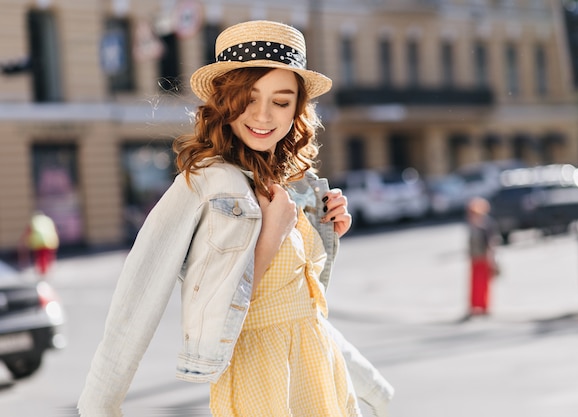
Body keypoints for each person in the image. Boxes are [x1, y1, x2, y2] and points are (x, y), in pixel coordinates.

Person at [78, 20, 393, 417]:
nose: (262, 116)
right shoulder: (205, 184)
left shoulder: (291, 181)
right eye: (247, 98)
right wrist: (99, 407)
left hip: (319, 372)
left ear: (297, 108)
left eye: (281, 102)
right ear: (224, 101)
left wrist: (322, 229)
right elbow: (137, 296)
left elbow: (303, 307)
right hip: (261, 377)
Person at [465, 197, 498, 317]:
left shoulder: (486, 224)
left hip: (484, 258)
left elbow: (491, 243)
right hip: (475, 258)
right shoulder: (471, 224)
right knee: (474, 284)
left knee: (484, 284)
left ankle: (484, 306)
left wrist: (492, 258)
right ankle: (474, 306)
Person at [21, 210, 59, 278]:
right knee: (48, 256)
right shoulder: (48, 220)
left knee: (41, 257)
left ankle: (43, 272)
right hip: (50, 240)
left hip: (39, 241)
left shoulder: (34, 220)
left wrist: (25, 240)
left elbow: (29, 231)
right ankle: (47, 270)